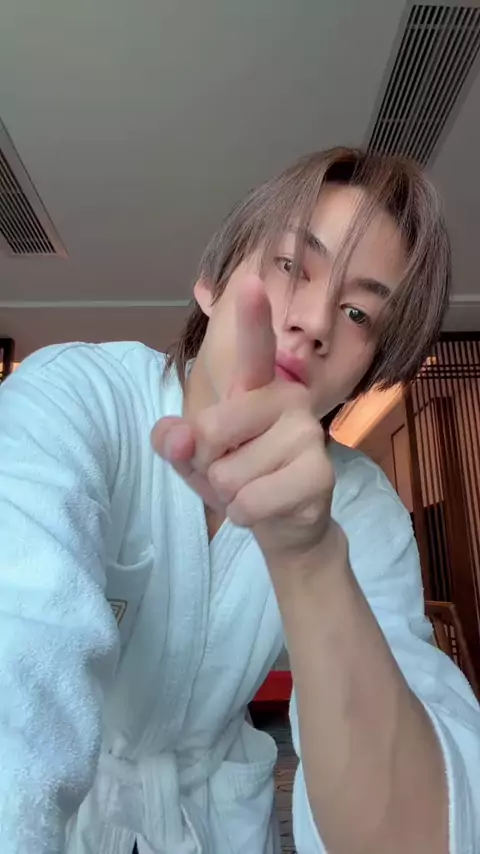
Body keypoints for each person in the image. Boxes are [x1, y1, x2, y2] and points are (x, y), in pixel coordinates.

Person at [0, 147, 479, 854]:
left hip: (216, 822)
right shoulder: (74, 397)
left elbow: (424, 832)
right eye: (291, 265)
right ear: (213, 281)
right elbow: (19, 648)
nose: (315, 322)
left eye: (357, 312)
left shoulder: (359, 504)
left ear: (364, 374)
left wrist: (310, 559)